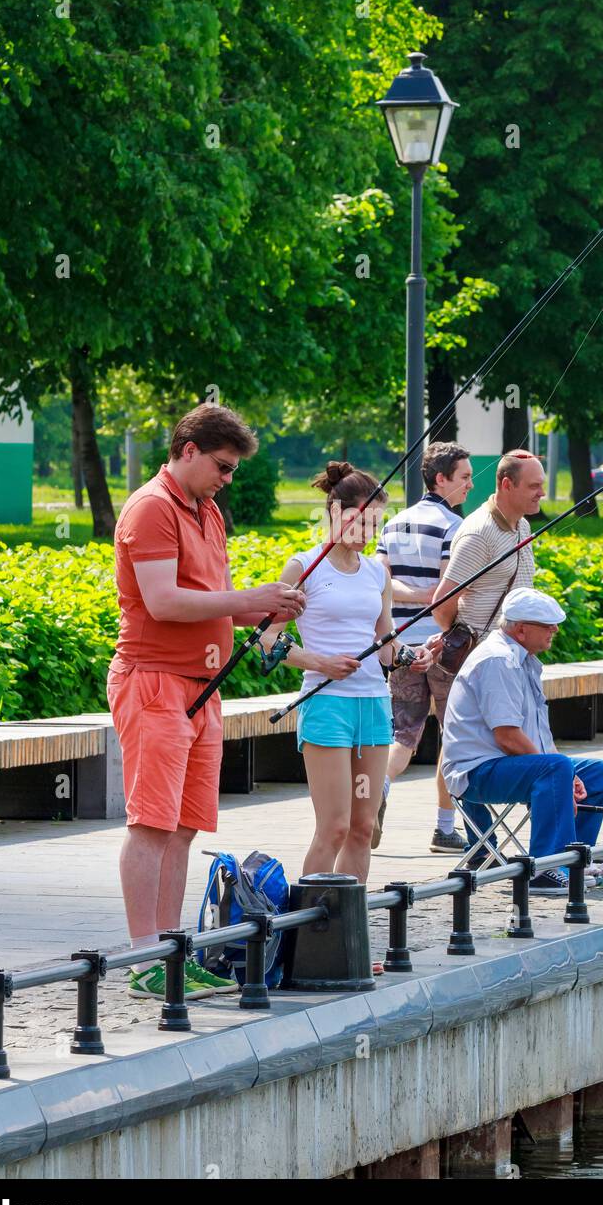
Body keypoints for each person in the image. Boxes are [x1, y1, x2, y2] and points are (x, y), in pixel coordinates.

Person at [109, 403, 306, 1000]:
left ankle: (171, 952)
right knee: (150, 824)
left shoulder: (207, 510)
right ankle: (144, 957)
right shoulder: (151, 509)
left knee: (184, 827)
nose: (228, 478)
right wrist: (249, 595)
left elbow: (215, 598)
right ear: (188, 449)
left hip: (204, 689)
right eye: (222, 466)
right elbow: (164, 601)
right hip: (155, 683)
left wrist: (270, 607)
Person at [263, 462, 432, 891]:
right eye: (362, 519)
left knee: (363, 829)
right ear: (335, 513)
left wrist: (412, 656)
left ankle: (345, 932)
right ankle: (305, 935)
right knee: (334, 827)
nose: (369, 531)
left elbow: (386, 643)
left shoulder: (378, 573)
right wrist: (322, 662)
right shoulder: (303, 567)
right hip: (327, 707)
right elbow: (268, 641)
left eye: (376, 522)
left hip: (374, 706)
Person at [441, 588, 603, 894]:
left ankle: (575, 859)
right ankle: (544, 869)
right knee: (556, 769)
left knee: (596, 772)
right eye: (548, 626)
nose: (556, 630)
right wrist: (561, 772)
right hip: (476, 773)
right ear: (521, 629)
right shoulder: (498, 661)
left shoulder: (523, 659)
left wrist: (570, 775)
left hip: (507, 765)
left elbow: (539, 735)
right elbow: (507, 736)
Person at [373, 441, 474, 853]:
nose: (470, 485)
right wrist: (431, 599)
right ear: (440, 479)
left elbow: (381, 580)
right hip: (443, 646)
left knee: (404, 733)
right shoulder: (454, 527)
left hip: (401, 645)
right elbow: (449, 592)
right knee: (455, 735)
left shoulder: (393, 523)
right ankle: (445, 829)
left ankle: (378, 785)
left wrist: (411, 597)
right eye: (464, 477)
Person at [432, 448, 544, 642]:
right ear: (507, 484)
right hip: (484, 662)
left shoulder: (522, 525)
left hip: (515, 655)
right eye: (534, 486)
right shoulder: (479, 533)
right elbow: (442, 606)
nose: (541, 493)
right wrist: (465, 642)